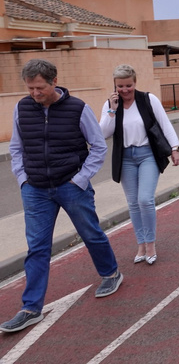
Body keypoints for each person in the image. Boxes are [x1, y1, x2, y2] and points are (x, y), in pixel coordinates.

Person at [1, 59, 123, 334]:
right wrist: (23, 180)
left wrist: (79, 179)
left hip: (71, 186)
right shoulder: (22, 108)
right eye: (30, 88)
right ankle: (30, 308)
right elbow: (16, 147)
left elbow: (98, 147)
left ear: (54, 82)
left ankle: (111, 273)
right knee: (37, 248)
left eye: (39, 87)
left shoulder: (78, 109)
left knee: (90, 233)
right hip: (35, 189)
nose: (34, 93)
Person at [99, 64, 179, 266]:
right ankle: (141, 245)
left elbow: (164, 123)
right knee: (133, 203)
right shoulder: (110, 104)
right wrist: (111, 110)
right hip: (125, 157)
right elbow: (103, 134)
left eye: (128, 85)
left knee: (145, 199)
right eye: (120, 86)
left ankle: (151, 244)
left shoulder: (148, 99)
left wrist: (175, 147)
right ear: (114, 85)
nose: (124, 90)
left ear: (135, 83)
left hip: (147, 155)